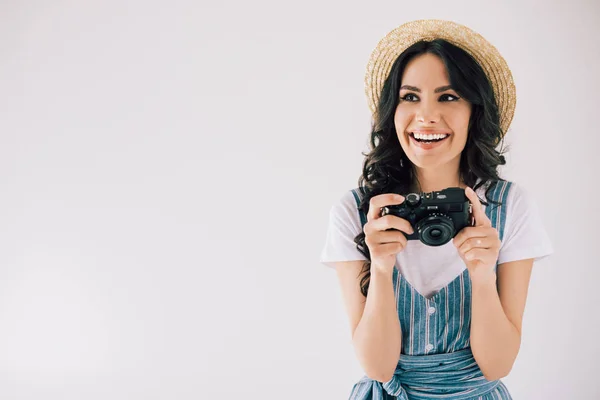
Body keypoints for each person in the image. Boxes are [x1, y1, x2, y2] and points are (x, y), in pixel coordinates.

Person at [319, 19, 554, 400]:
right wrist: (380, 269)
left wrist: (481, 274)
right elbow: (377, 367)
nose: (426, 115)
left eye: (448, 97)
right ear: (391, 111)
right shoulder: (357, 211)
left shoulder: (510, 207)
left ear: (475, 111)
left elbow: (497, 364)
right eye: (410, 96)